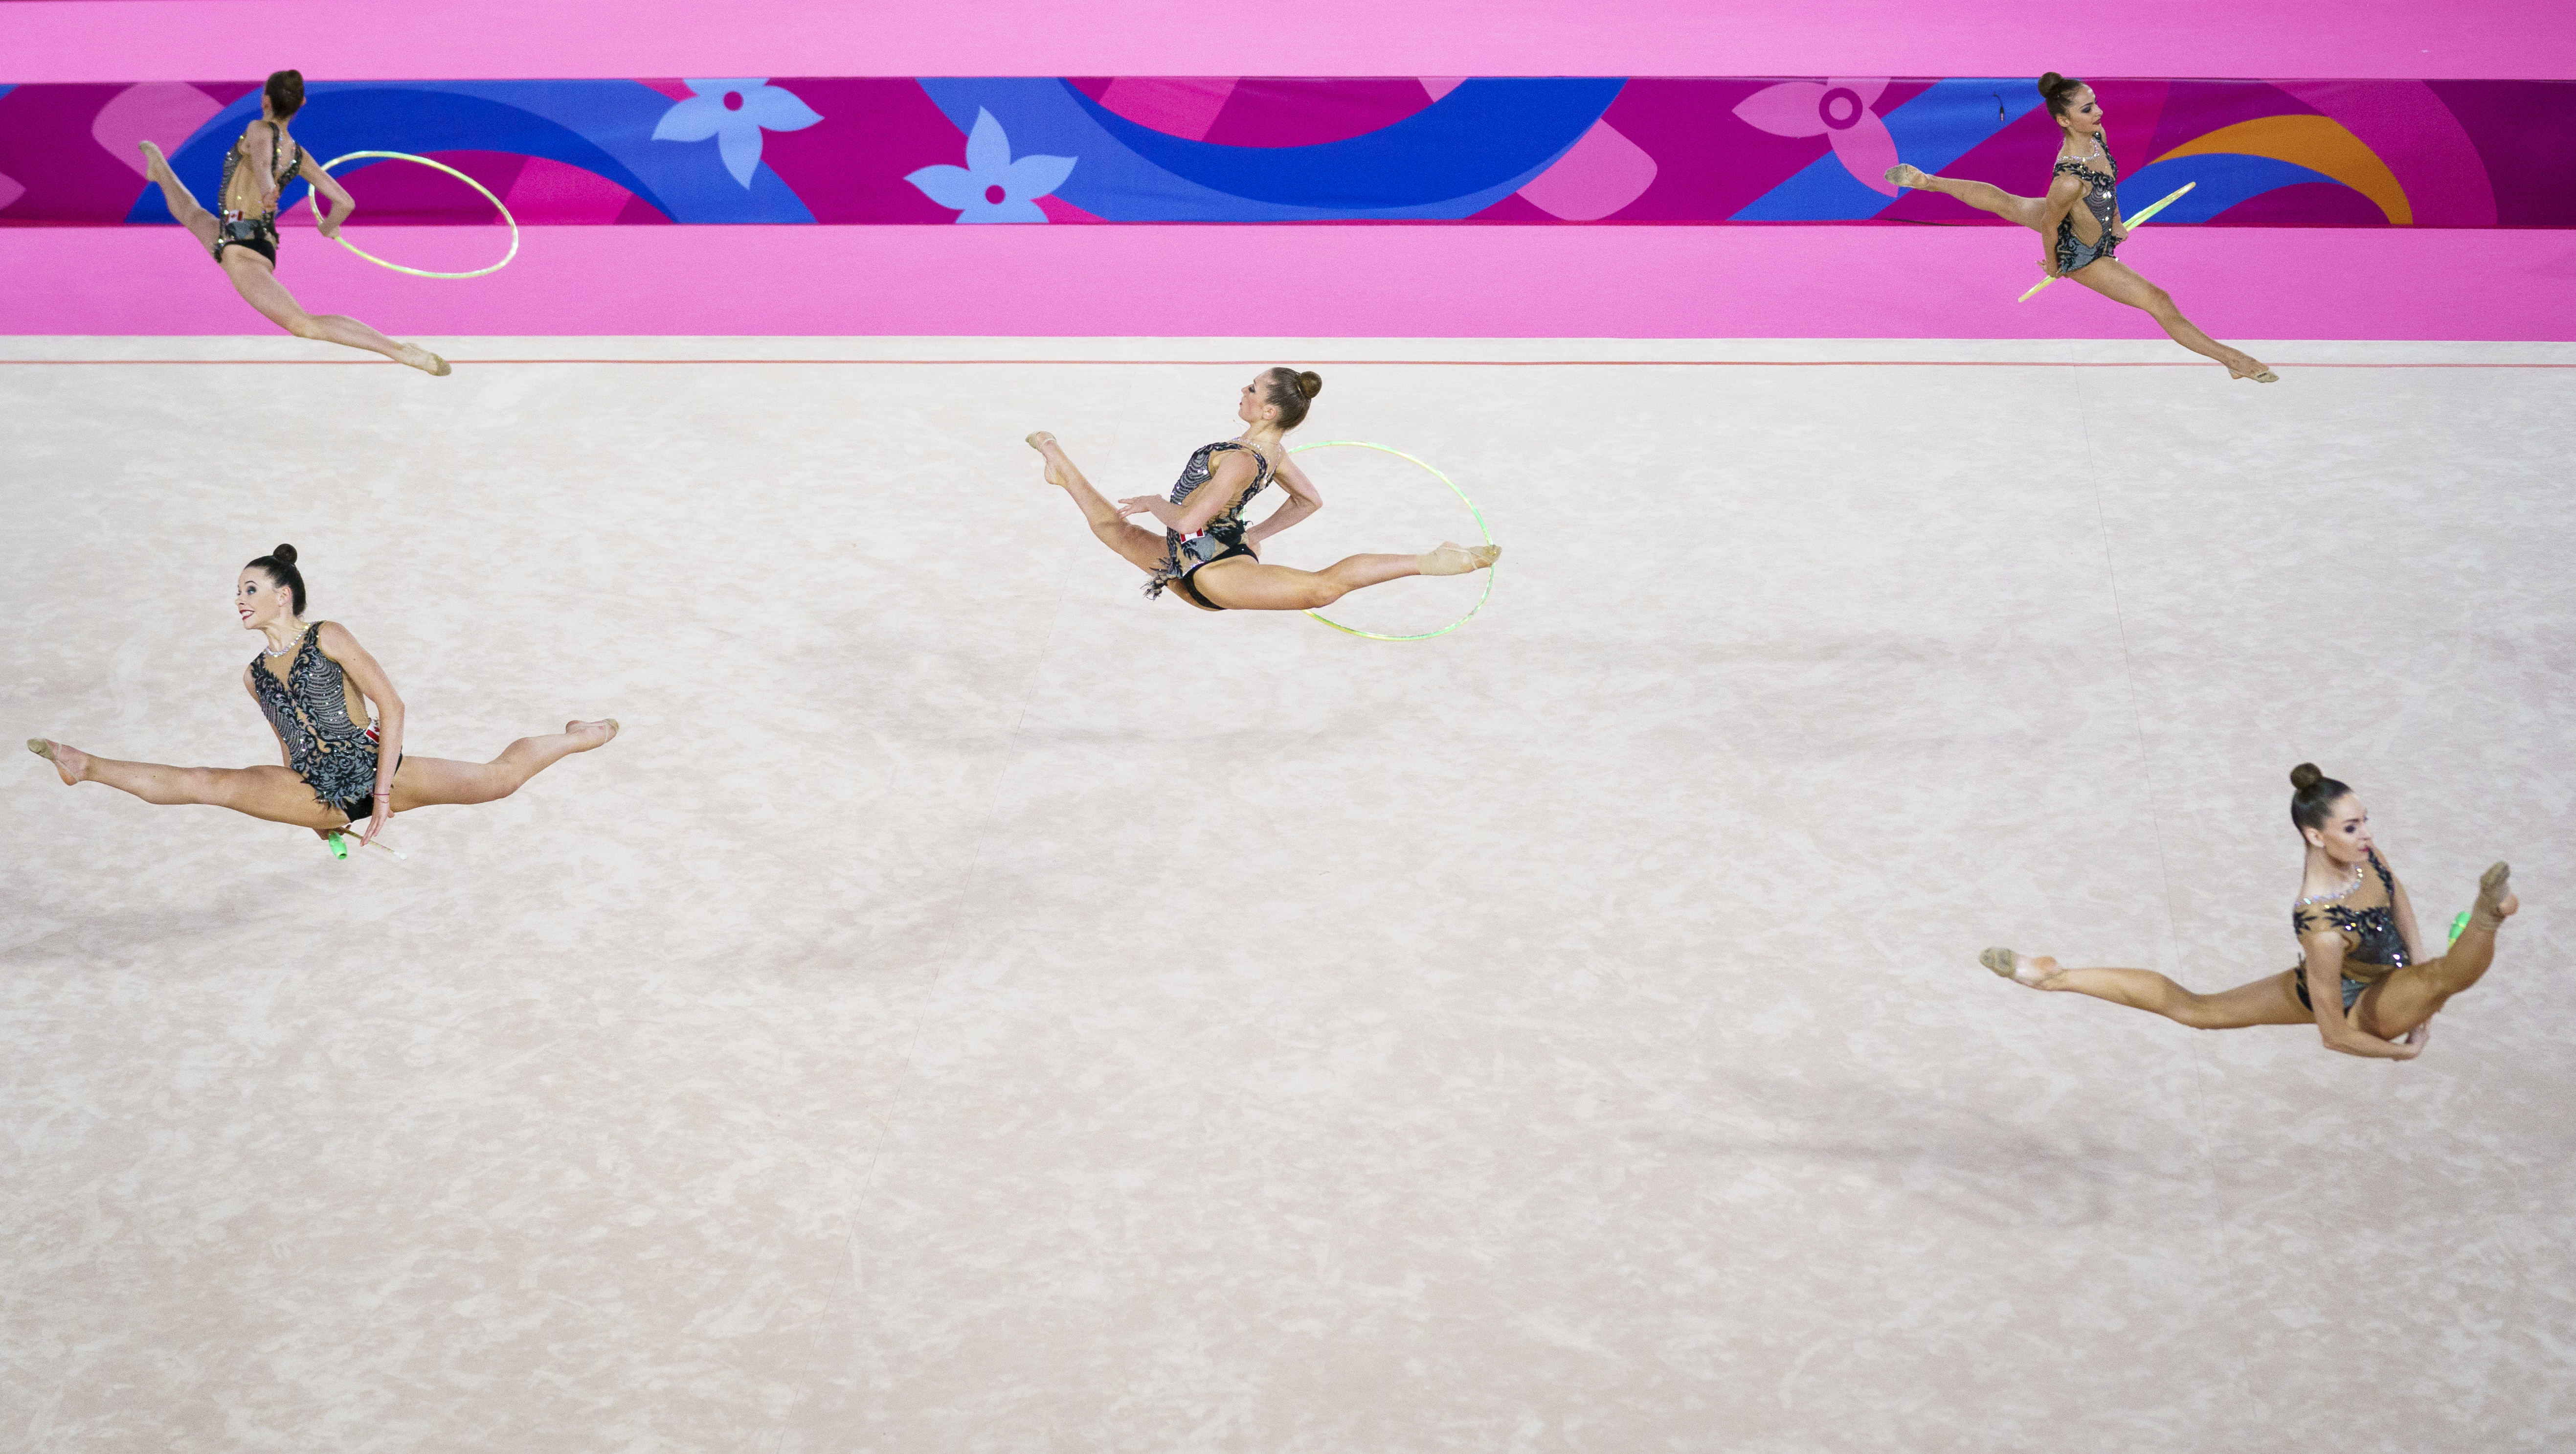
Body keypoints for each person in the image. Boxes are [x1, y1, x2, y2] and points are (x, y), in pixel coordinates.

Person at [26, 545, 614, 848]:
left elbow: (393, 707)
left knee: (498, 780)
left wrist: (382, 793)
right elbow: (288, 748)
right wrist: (311, 818)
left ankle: (574, 735)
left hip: (376, 768)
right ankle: (87, 765)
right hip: (313, 790)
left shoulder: (327, 636)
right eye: (237, 591)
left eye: (250, 589)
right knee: (210, 781)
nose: (240, 599)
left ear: (284, 595)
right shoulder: (254, 675)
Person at [1977, 764, 2517, 1059]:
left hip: (2384, 972)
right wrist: (2403, 1051)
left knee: (2200, 1009)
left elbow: (2393, 892)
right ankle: (2485, 916)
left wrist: (2414, 960)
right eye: (2351, 827)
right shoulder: (2320, 926)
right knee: (2443, 981)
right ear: (2314, 835)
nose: (2367, 833)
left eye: (2364, 820)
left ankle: (2051, 970)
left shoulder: (2363, 855)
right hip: (2354, 999)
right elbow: (2333, 1034)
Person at [1883, 72, 2278, 383]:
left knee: (2010, 203)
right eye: (2087, 110)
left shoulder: (2097, 138)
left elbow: (2107, 185)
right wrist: (2056, 265)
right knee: (2159, 301)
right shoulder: (2067, 179)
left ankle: (1928, 180)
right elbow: (2051, 227)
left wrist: (2117, 221)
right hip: (2078, 249)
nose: (2098, 113)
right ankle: (2234, 360)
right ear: (2063, 120)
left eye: (2095, 104)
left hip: (2086, 218)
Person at [1026, 367, 1500, 613]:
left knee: (1321, 589)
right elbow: (1307, 500)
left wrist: (1154, 503)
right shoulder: (1271, 453)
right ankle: (1059, 462)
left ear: (1269, 412)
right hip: (1203, 552)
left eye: (1252, 389)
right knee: (1114, 530)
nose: (1244, 391)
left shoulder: (1238, 460)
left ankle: (1436, 560)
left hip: (1210, 568)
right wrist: (1259, 534)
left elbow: (1187, 521)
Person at [134, 69, 451, 375]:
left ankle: (398, 350)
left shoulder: (258, 127)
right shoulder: (299, 155)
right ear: (302, 104)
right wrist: (328, 227)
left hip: (243, 246)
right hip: (238, 236)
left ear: (265, 101)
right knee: (193, 215)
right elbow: (344, 202)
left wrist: (267, 187)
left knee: (303, 324)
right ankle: (159, 167)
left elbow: (260, 159)